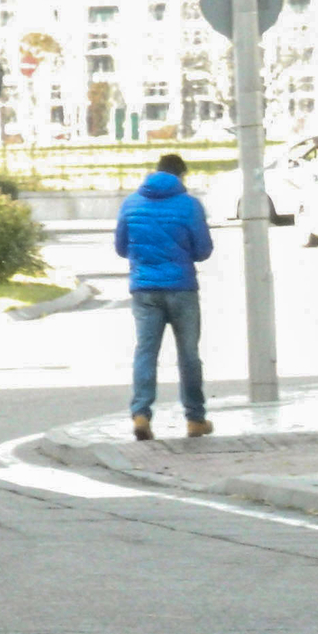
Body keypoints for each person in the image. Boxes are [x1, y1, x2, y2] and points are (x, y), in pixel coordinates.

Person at [115, 152, 214, 440]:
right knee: (189, 355)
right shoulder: (190, 205)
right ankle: (195, 419)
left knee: (146, 352)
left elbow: (121, 247)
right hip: (181, 288)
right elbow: (203, 250)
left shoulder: (131, 203)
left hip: (144, 289)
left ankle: (141, 414)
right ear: (181, 175)